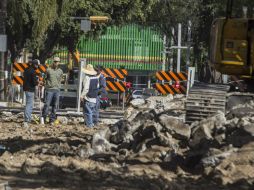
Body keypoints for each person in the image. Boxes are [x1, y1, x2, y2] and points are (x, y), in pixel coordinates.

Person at [42, 57, 63, 123]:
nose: (56, 63)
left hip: (57, 90)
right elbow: (44, 79)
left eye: (57, 62)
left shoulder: (60, 71)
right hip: (49, 90)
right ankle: (44, 118)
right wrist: (46, 86)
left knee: (55, 105)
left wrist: (58, 86)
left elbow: (61, 79)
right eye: (55, 61)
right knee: (47, 105)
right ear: (53, 62)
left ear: (59, 62)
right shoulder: (48, 70)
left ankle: (52, 119)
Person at [23, 59, 40, 126]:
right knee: (29, 105)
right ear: (35, 64)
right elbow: (34, 82)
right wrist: (38, 82)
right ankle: (27, 119)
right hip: (30, 90)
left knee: (28, 104)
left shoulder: (26, 69)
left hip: (26, 89)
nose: (38, 66)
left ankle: (28, 118)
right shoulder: (33, 72)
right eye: (37, 65)